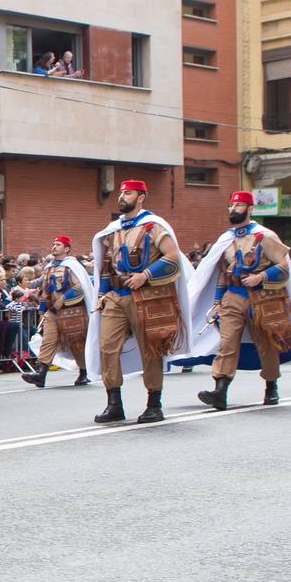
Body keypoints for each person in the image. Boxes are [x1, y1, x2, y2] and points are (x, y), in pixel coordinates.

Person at [183, 192, 291, 409]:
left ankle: (271, 384)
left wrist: (261, 276)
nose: (233, 209)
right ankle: (220, 390)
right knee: (226, 343)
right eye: (231, 205)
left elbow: (283, 266)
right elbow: (222, 273)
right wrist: (218, 301)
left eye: (238, 205)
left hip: (263, 298)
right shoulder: (226, 239)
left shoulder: (265, 236)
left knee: (266, 343)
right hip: (233, 296)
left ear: (250, 209)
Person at [88, 179, 190, 425]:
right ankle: (114, 403)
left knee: (150, 348)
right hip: (116, 296)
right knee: (107, 347)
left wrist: (146, 275)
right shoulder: (114, 229)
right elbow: (106, 265)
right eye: (121, 193)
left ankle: (154, 403)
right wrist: (101, 294)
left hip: (147, 297)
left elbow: (174, 257)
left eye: (128, 193)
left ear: (141, 197)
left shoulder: (153, 226)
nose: (122, 196)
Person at [20, 235, 94, 388]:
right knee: (48, 340)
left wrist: (64, 298)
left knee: (76, 343)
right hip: (53, 311)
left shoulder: (72, 266)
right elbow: (45, 290)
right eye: (53, 244)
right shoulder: (49, 268)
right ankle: (41, 373)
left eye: (58, 245)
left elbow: (78, 286)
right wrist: (42, 308)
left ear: (66, 249)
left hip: (71, 311)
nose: (54, 247)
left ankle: (84, 371)